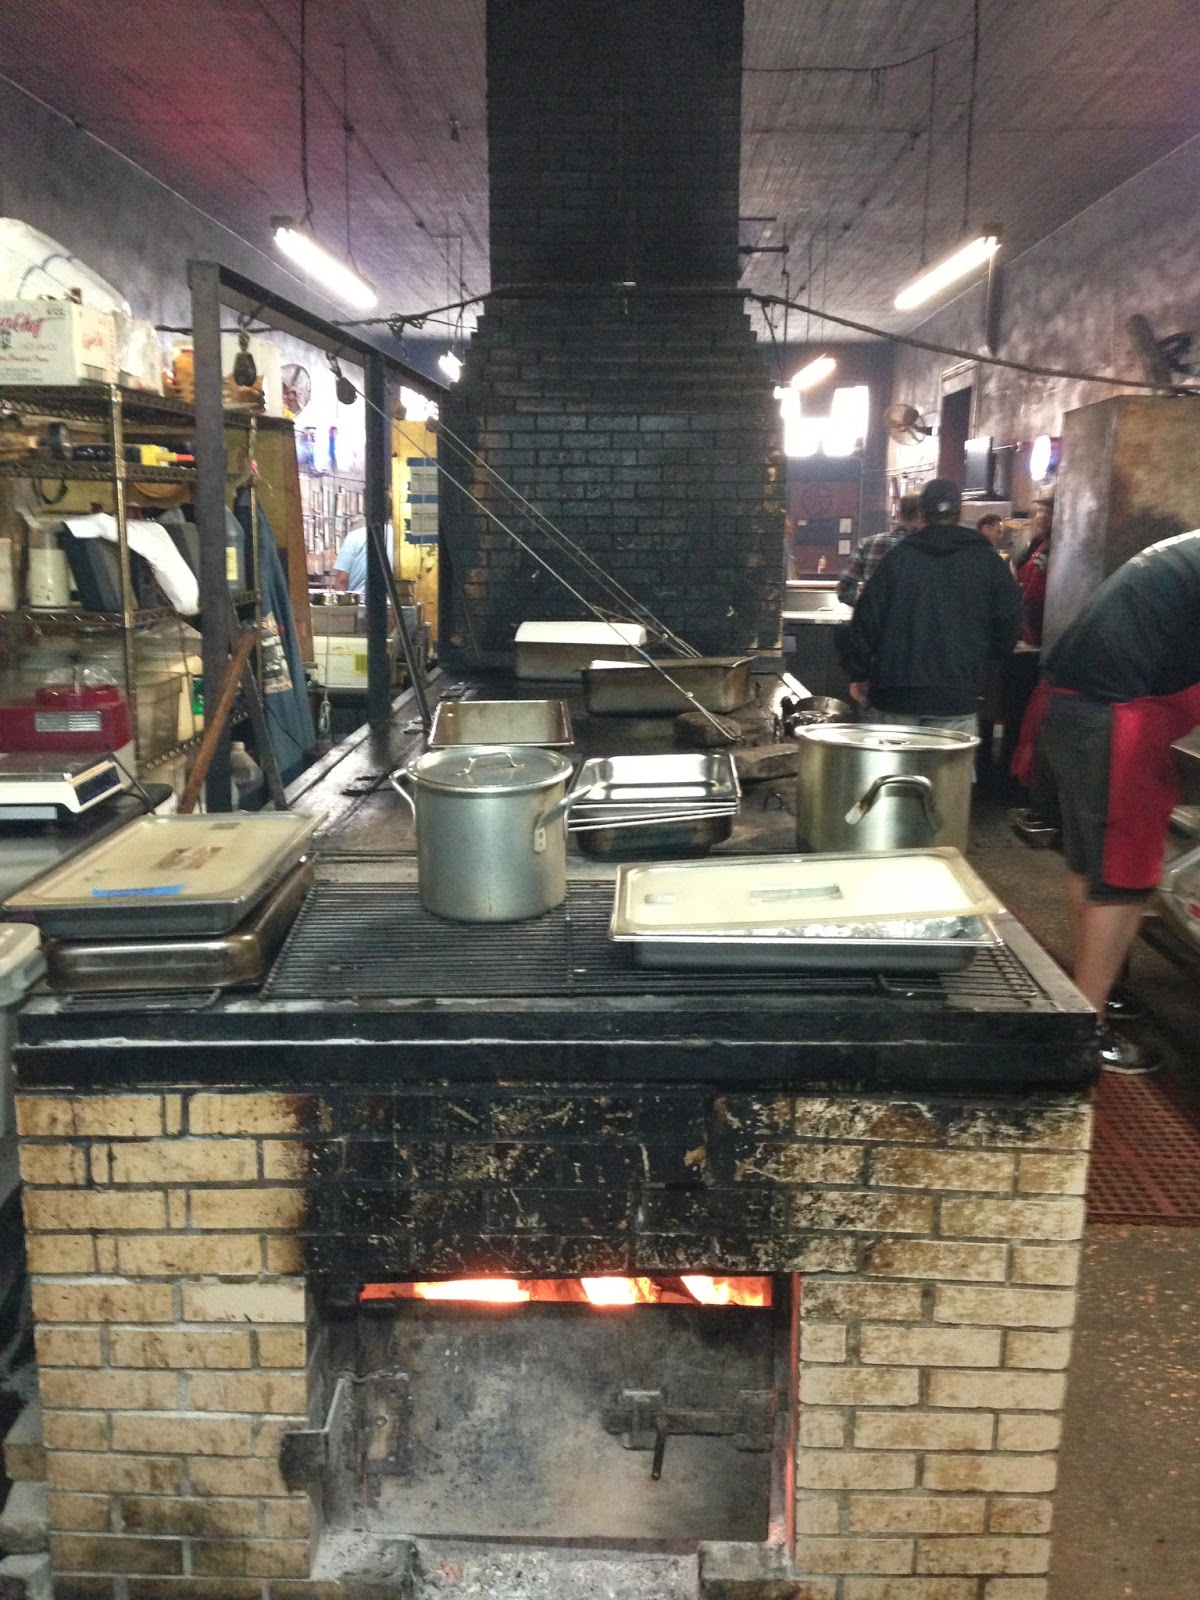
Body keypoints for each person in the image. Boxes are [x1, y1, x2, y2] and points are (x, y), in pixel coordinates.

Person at [1039, 530, 1200, 1072]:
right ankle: (1086, 1028)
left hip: (1076, 707)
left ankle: (1090, 994)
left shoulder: (1185, 552)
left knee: (1092, 864)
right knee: (1123, 878)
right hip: (1117, 718)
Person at [838, 478, 1021, 734]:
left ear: (922, 514)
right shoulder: (989, 563)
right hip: (957, 694)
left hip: (895, 695)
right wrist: (978, 660)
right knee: (948, 773)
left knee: (892, 773)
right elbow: (1009, 625)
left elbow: (867, 619)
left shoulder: (897, 559)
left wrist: (858, 672)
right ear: (961, 513)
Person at [835, 493, 922, 606]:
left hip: (876, 620)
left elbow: (843, 589)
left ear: (898, 514)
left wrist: (864, 602)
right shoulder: (931, 548)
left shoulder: (868, 544)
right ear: (923, 515)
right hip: (917, 620)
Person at [1014, 494, 1053, 646]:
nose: (1042, 516)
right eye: (1040, 511)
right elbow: (1015, 567)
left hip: (1046, 627)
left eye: (1049, 512)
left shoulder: (1062, 548)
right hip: (1028, 623)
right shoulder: (1038, 543)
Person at [330, 521, 396, 595]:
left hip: (359, 602)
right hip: (393, 603)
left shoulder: (355, 536)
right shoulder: (402, 540)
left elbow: (342, 580)